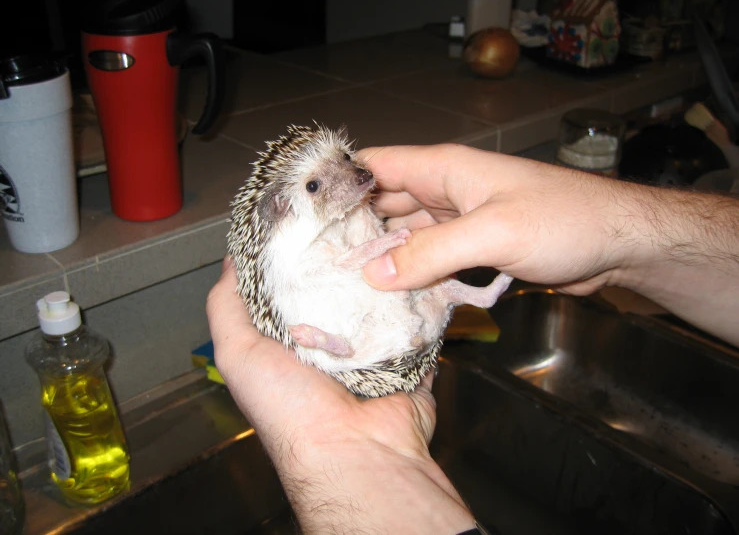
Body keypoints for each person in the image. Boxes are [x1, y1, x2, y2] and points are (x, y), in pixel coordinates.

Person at [206, 143, 739, 534]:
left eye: (343, 160)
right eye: (318, 185)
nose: (353, 176)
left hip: (389, 325)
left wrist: (341, 463)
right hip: (354, 337)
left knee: (436, 293)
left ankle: (468, 295)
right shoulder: (290, 267)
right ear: (282, 209)